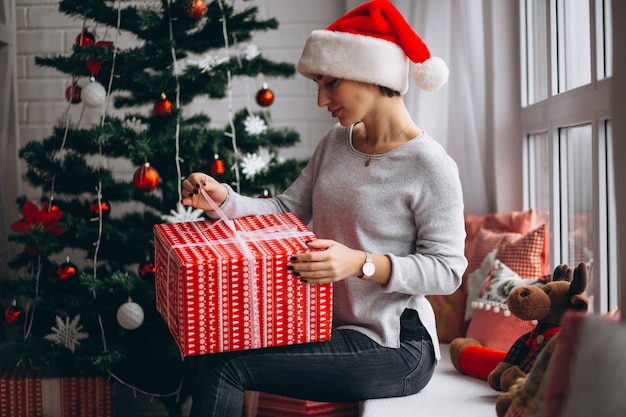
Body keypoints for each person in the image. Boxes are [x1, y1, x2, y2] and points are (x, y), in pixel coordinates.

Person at [181, 1, 467, 415]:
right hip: (326, 327)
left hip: (394, 343)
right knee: (210, 350)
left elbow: (447, 270)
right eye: (318, 84)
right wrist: (222, 199)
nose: (321, 100)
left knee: (226, 366)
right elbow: (286, 209)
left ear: (371, 75)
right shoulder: (336, 142)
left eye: (329, 83)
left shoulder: (431, 165)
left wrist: (361, 263)